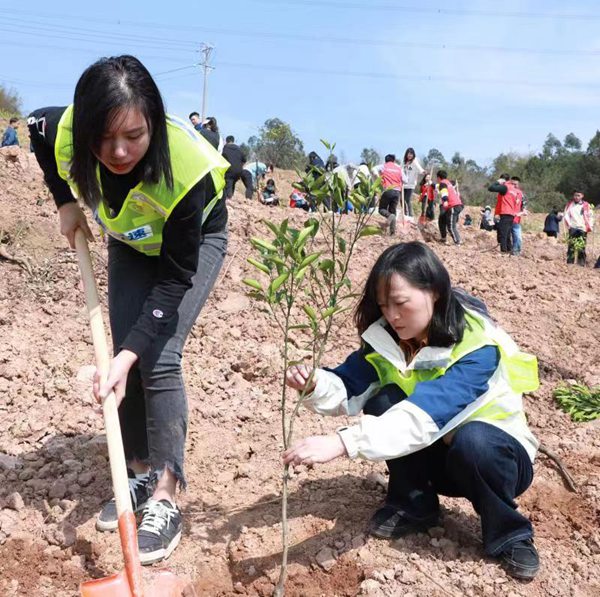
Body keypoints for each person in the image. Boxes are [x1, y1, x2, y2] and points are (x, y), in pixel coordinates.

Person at [28, 55, 230, 565]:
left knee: (155, 356)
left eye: (134, 136)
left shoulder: (187, 170)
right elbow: (35, 134)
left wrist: (131, 355)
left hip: (188, 244)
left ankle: (166, 494)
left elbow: (172, 284)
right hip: (130, 239)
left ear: (153, 124)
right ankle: (138, 468)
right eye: (104, 138)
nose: (118, 151)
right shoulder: (63, 128)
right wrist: (64, 201)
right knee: (124, 351)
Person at [284, 241, 541, 580]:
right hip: (436, 455)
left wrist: (343, 442)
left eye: (401, 303)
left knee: (474, 439)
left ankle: (509, 532)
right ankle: (414, 504)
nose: (391, 315)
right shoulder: (390, 341)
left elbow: (426, 413)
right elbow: (349, 384)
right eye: (383, 305)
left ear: (434, 292)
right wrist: (315, 383)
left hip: (496, 463)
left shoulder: (478, 349)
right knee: (383, 399)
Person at [488, 174, 520, 254]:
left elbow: (491, 188)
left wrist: (498, 182)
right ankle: (509, 250)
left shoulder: (505, 187)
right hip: (511, 215)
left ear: (503, 180)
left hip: (505, 213)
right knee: (507, 233)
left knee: (503, 233)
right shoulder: (513, 189)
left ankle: (503, 252)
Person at [375, 154, 405, 235]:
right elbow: (405, 179)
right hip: (397, 191)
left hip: (387, 190)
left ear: (386, 160)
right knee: (393, 211)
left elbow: (373, 169)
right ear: (394, 160)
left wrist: (379, 177)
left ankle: (389, 216)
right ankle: (392, 233)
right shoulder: (399, 168)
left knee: (381, 209)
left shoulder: (384, 166)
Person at [563, 190, 594, 266]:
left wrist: (590, 226)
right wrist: (569, 225)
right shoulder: (570, 204)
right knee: (571, 246)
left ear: (582, 196)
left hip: (582, 228)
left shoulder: (586, 205)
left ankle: (581, 264)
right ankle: (570, 263)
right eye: (575, 195)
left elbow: (591, 216)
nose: (576, 197)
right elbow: (566, 215)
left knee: (581, 247)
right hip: (573, 227)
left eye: (578, 195)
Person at [222, 135, 253, 200]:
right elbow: (244, 160)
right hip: (239, 171)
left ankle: (229, 198)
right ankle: (230, 196)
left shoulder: (224, 148)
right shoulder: (239, 149)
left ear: (226, 141)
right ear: (233, 141)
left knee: (229, 182)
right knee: (232, 182)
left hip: (229, 170)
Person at [437, 170, 463, 245]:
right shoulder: (448, 183)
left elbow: (444, 191)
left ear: (438, 177)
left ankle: (458, 241)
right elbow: (437, 186)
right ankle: (443, 238)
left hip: (453, 206)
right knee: (442, 219)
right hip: (455, 205)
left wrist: (445, 200)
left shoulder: (442, 183)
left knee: (451, 226)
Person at [401, 148, 425, 217]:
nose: (410, 155)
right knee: (402, 200)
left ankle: (410, 215)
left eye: (411, 154)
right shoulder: (403, 162)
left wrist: (424, 172)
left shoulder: (414, 162)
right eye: (408, 154)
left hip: (411, 185)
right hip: (403, 184)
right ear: (406, 154)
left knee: (407, 200)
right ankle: (405, 214)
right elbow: (400, 170)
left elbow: (419, 169)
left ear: (413, 155)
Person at [509, 177, 526, 256]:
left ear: (518, 185)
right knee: (506, 236)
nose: (514, 186)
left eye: (515, 184)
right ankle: (507, 250)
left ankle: (516, 252)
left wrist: (523, 211)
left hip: (516, 219)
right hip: (507, 218)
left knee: (517, 236)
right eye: (512, 184)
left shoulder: (520, 194)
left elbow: (524, 205)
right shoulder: (507, 193)